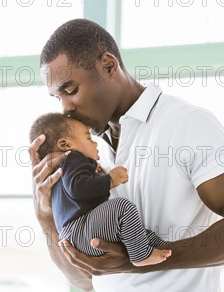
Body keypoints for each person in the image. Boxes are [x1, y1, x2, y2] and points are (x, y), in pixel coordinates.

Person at [29, 18, 224, 292]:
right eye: (56, 98)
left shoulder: (187, 124)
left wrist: (141, 261)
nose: (66, 108)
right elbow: (84, 279)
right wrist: (46, 216)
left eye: (70, 90)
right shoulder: (81, 151)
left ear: (107, 65)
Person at [29, 112, 172, 266]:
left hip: (75, 234)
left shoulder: (62, 170)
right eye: (89, 138)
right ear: (65, 145)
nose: (95, 144)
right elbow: (77, 189)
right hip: (80, 229)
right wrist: (110, 180)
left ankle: (159, 246)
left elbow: (79, 190)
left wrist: (95, 175)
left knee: (136, 230)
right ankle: (141, 256)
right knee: (123, 208)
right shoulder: (72, 157)